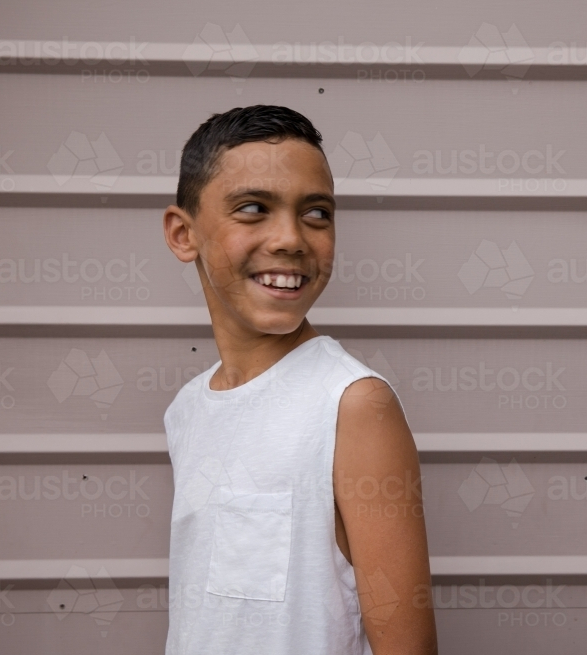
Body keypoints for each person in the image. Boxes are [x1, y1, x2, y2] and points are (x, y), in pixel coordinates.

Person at [161, 105, 437, 654]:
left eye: (316, 213)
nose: (290, 238)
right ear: (183, 233)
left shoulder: (353, 405)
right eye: (253, 208)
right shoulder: (187, 408)